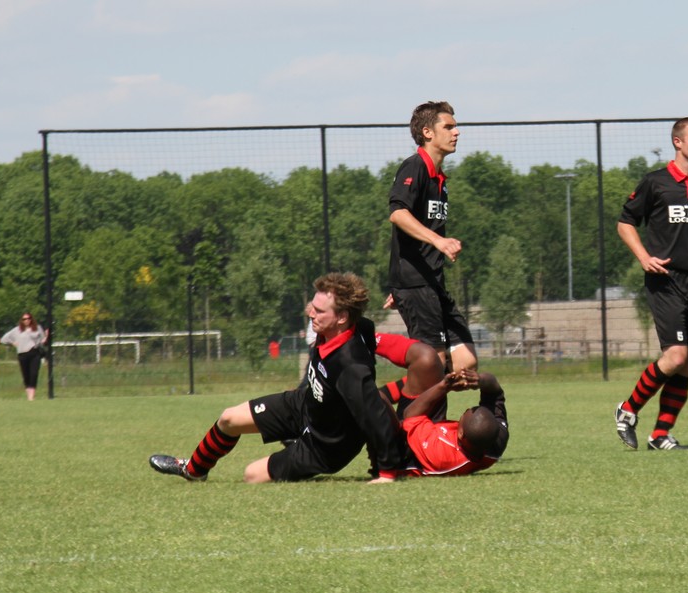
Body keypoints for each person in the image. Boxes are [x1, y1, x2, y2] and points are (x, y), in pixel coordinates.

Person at [149, 273, 406, 483]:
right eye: (312, 307)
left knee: (251, 475)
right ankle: (194, 470)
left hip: (324, 445)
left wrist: (387, 473)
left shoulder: (351, 366)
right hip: (303, 405)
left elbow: (374, 415)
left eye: (319, 311)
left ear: (341, 317)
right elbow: (364, 333)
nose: (311, 314)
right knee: (228, 418)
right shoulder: (355, 327)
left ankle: (296, 452)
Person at [613, 117, 688, 451]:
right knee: (675, 356)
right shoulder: (656, 182)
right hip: (665, 279)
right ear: (678, 142)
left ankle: (660, 434)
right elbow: (625, 223)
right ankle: (627, 409)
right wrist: (643, 257)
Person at [386, 101, 478, 375]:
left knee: (465, 363)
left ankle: (411, 392)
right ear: (427, 132)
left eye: (455, 127)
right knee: (433, 366)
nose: (456, 132)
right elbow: (398, 214)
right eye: (448, 127)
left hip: (430, 284)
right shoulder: (414, 167)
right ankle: (400, 402)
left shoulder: (439, 179)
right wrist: (438, 241)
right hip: (416, 284)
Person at [368, 368, 508, 480]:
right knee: (431, 366)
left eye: (464, 414)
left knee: (374, 396)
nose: (464, 411)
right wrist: (479, 380)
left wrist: (443, 387)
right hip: (425, 430)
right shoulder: (495, 441)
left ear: (461, 434)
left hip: (397, 453)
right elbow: (495, 391)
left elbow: (410, 414)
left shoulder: (441, 453)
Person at [0, 311, 49, 401]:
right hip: (23, 354)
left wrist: (46, 336)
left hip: (35, 353)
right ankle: (28, 395)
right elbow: (3, 339)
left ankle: (31, 397)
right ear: (22, 320)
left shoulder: (37, 328)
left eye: (28, 318)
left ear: (31, 319)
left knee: (34, 374)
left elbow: (43, 340)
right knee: (26, 375)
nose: (26, 320)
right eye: (24, 319)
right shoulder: (17, 330)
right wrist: (13, 343)